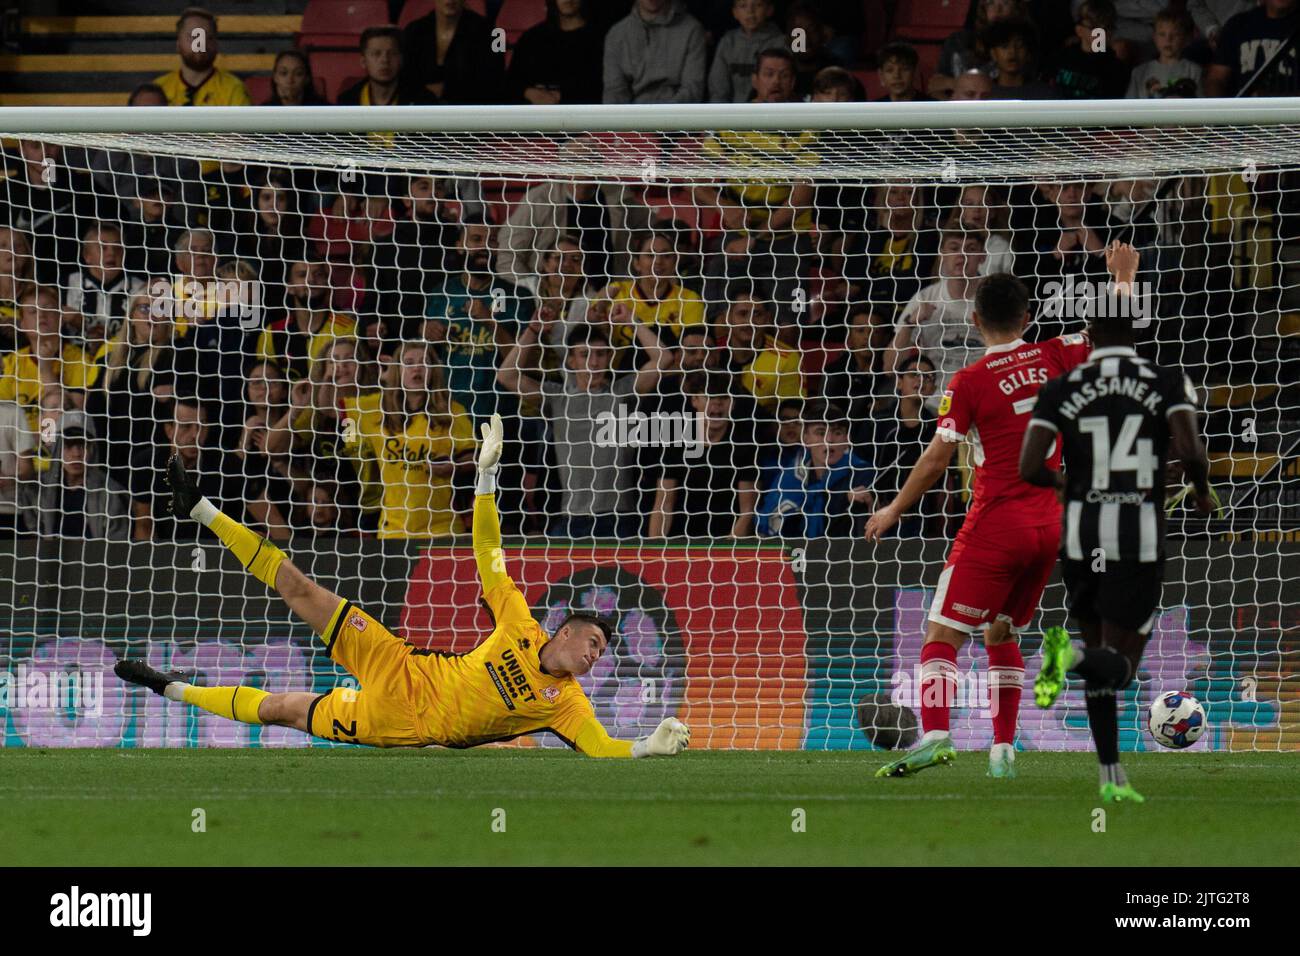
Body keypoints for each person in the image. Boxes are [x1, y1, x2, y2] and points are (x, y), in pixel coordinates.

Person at [113, 414, 692, 758]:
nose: (595, 656)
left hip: (398, 723)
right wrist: (486, 476)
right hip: (400, 661)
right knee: (299, 587)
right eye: (592, 642)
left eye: (601, 653)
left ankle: (168, 688)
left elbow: (601, 749)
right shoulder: (519, 621)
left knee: (283, 709)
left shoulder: (565, 705)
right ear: (564, 631)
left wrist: (645, 747)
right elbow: (488, 552)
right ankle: (203, 510)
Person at [864, 260, 1108, 780]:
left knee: (940, 634)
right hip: (1048, 529)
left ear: (975, 320)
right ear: (1026, 317)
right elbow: (1109, 333)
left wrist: (892, 508)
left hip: (997, 522)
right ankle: (1002, 751)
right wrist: (1124, 278)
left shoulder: (969, 381)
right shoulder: (1054, 354)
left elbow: (934, 460)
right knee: (1001, 633)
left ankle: (933, 735)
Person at [1020, 243, 1211, 803]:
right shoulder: (1164, 380)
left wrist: (1070, 488)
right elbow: (1191, 450)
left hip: (1080, 534)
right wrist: (1199, 491)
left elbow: (1029, 465)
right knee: (1120, 664)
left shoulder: (1063, 387)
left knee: (1096, 640)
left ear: (1087, 331)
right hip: (1139, 533)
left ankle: (1110, 774)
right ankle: (1071, 660)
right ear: (1137, 325)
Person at [498, 321, 665, 537]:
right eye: (585, 355)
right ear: (571, 360)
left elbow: (663, 358)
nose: (594, 362)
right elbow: (506, 376)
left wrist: (632, 320)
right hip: (571, 519)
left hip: (619, 518)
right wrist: (533, 329)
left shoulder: (622, 392)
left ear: (609, 357)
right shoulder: (557, 397)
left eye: (601, 354)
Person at [343, 341, 476, 539]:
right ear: (397, 370)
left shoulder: (453, 411)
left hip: (442, 528)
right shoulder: (374, 410)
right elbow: (331, 404)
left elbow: (474, 458)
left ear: (434, 370)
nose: (416, 368)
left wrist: (453, 467)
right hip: (393, 529)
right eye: (408, 362)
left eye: (424, 362)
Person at [648, 369, 762, 538]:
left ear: (733, 403)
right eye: (709, 397)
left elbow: (747, 512)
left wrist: (725, 553)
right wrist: (655, 552)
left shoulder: (744, 445)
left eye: (724, 397)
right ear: (695, 400)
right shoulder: (677, 443)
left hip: (726, 545)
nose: (717, 404)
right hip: (680, 543)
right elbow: (664, 505)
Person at [757, 401, 874, 538]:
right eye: (821, 432)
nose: (829, 440)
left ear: (847, 438)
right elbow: (768, 522)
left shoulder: (862, 473)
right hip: (795, 554)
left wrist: (843, 499)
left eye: (837, 433)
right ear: (806, 438)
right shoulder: (789, 478)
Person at [27, 410, 130, 540]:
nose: (76, 454)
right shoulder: (37, 490)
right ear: (57, 447)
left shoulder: (112, 493)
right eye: (69, 445)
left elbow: (117, 544)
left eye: (83, 445)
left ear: (93, 449)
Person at [603, 0, 707, 104]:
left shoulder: (692, 30)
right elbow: (615, 92)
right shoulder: (617, 35)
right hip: (633, 116)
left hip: (678, 115)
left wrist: (662, 117)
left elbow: (692, 89)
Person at [402, 0, 503, 104]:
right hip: (421, 112)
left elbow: (493, 83)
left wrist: (447, 89)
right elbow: (405, 80)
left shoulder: (491, 32)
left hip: (470, 112)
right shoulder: (414, 31)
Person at [506, 0, 604, 105]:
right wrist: (529, 93)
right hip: (535, 116)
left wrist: (563, 96)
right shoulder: (532, 39)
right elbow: (510, 84)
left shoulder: (601, 39)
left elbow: (605, 87)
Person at [153, 7, 252, 107]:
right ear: (178, 44)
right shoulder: (158, 89)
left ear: (216, 44)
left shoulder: (233, 89)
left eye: (207, 37)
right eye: (193, 37)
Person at [1203, 0, 1299, 96]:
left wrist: (1269, 98)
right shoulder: (1238, 25)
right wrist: (1221, 107)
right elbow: (1216, 78)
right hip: (1245, 108)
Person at [336, 26, 436, 106]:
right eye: (376, 54)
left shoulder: (423, 102)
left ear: (401, 59)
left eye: (392, 53)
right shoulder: (347, 102)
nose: (385, 60)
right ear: (363, 61)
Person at [1051, 0, 1131, 99]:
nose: (1102, 34)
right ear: (1079, 30)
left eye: (1107, 27)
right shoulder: (1061, 58)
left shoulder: (1116, 70)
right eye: (1095, 27)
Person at [708, 0, 784, 102]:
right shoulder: (728, 42)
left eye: (758, 5)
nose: (750, 11)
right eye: (743, 6)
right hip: (731, 113)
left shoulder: (780, 42)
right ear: (735, 12)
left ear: (769, 10)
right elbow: (718, 88)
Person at [1126, 9, 1202, 98]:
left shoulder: (1194, 70)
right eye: (1162, 34)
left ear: (1186, 39)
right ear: (1154, 37)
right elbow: (1130, 105)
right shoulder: (1139, 72)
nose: (1168, 40)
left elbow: (1200, 105)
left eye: (1175, 34)